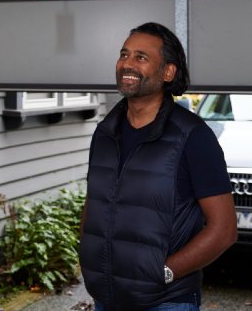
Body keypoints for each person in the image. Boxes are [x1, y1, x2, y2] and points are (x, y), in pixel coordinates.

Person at [79, 23, 237, 310]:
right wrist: (89, 260)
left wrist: (165, 272)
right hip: (106, 298)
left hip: (165, 302)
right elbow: (95, 202)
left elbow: (224, 229)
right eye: (124, 54)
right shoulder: (105, 132)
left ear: (168, 72)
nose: (127, 63)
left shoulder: (192, 136)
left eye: (141, 57)